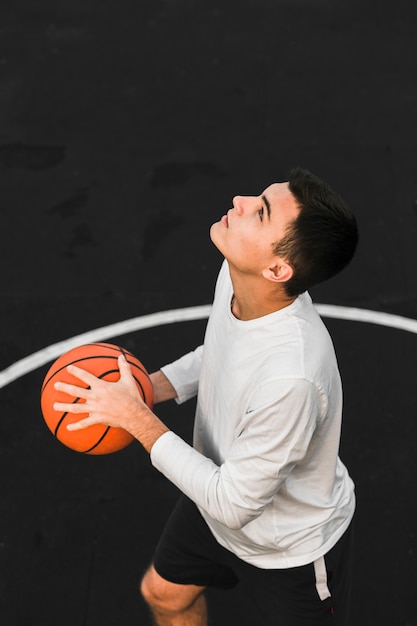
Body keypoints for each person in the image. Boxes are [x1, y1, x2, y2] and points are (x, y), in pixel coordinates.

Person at [54, 167, 359, 626]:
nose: (239, 199)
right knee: (164, 596)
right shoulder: (241, 276)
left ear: (279, 268)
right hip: (215, 506)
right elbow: (217, 352)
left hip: (288, 548)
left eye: (260, 212)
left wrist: (137, 418)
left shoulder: (292, 377)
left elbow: (235, 503)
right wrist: (147, 387)